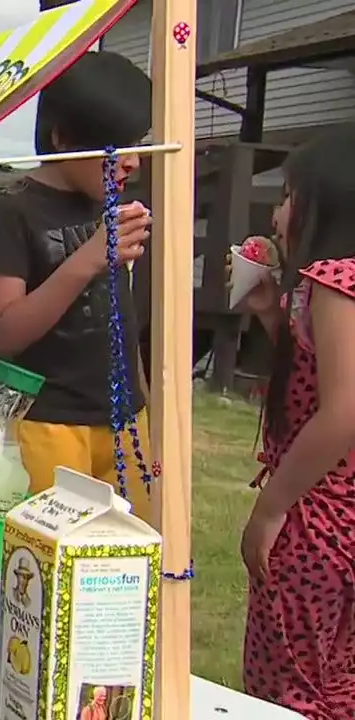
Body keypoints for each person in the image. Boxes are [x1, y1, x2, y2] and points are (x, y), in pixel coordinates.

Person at [0, 50, 155, 524]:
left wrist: (146, 402)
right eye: (115, 147)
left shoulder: (114, 203)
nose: (132, 162)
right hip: (49, 423)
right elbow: (5, 332)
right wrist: (89, 259)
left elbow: (123, 313)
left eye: (139, 143)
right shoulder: (12, 211)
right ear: (63, 137)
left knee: (131, 558)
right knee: (54, 568)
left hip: (126, 422)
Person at [237, 125, 355, 719]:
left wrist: (272, 508)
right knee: (339, 682)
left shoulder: (332, 280)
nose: (278, 212)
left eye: (287, 196)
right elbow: (320, 365)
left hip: (319, 515)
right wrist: (268, 314)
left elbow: (343, 410)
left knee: (290, 692)